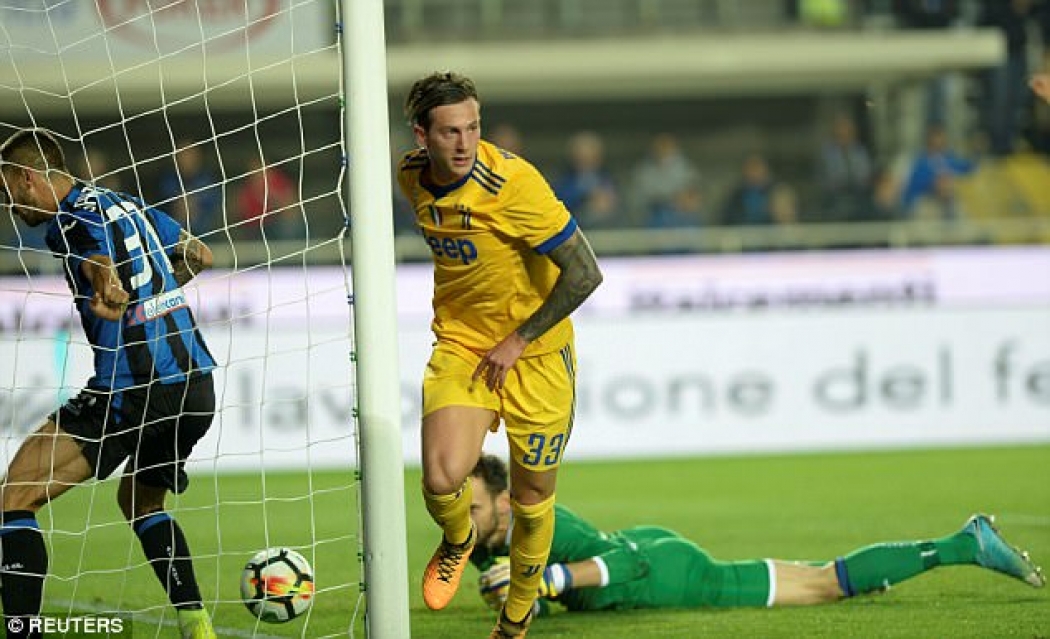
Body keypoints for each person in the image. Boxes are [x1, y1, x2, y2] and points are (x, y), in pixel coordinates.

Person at [396, 71, 603, 639]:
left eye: (473, 128)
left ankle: (514, 622)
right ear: (422, 136)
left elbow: (585, 273)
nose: (465, 143)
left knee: (531, 497)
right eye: (450, 132)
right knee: (442, 477)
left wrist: (519, 339)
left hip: (537, 356)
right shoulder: (410, 175)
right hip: (464, 345)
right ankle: (460, 537)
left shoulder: (514, 184)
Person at [0, 129, 218, 639]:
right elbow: (200, 255)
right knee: (140, 502)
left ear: (28, 178)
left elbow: (96, 261)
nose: (7, 204)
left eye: (5, 189)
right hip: (196, 385)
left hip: (134, 386)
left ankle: (22, 632)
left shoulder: (68, 221)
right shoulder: (125, 204)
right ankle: (196, 624)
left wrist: (111, 287)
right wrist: (149, 297)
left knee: (15, 496)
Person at [469, 454, 1045, 617]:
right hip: (651, 555)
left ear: (502, 501)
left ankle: (964, 544)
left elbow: (624, 566)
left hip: (663, 574)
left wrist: (548, 581)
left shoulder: (541, 524)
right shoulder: (484, 541)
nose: (461, 520)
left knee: (825, 585)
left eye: (471, 507)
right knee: (821, 577)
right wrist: (524, 599)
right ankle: (935, 554)